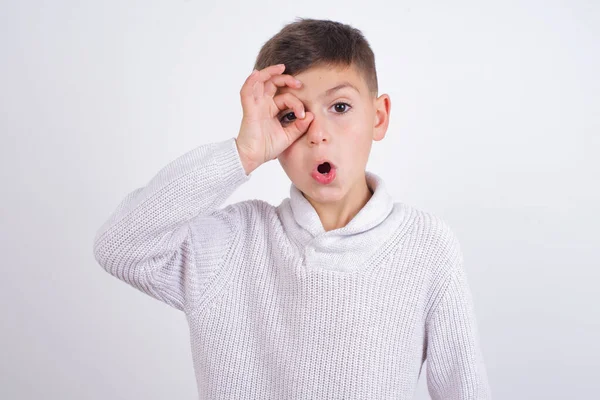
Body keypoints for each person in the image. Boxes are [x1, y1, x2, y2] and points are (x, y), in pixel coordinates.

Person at [93, 18, 491, 399]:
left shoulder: (426, 245)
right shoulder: (233, 243)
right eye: (290, 115)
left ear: (379, 116)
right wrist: (243, 153)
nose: (317, 134)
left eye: (339, 107)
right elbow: (121, 248)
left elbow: (463, 388)